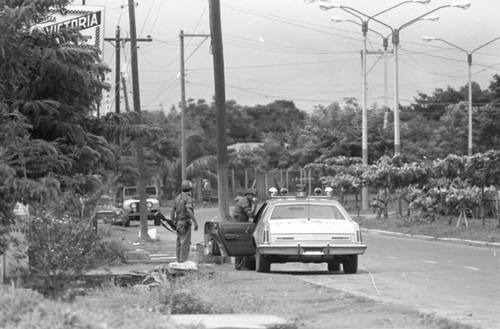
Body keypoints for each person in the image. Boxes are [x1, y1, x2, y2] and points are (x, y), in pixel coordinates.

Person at [171, 180, 199, 263]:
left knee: (179, 243)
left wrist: (173, 221)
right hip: (185, 224)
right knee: (185, 244)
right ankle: (183, 263)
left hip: (178, 224)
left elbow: (172, 211)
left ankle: (179, 261)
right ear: (190, 189)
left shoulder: (177, 198)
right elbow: (189, 211)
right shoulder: (188, 198)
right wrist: (195, 222)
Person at [231, 187, 258, 270]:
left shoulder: (248, 201)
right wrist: (255, 205)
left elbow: (252, 216)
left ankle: (241, 264)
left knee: (242, 244)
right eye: (252, 195)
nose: (254, 196)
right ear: (248, 194)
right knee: (239, 244)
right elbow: (250, 214)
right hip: (238, 224)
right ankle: (238, 265)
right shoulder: (244, 201)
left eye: (255, 195)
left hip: (242, 223)